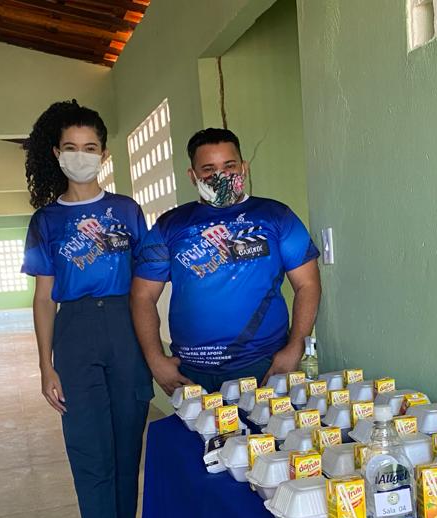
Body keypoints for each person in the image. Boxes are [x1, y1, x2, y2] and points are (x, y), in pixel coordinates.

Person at [21, 100, 152, 518]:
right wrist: (45, 364)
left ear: (104, 154)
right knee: (89, 447)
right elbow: (42, 297)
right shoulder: (46, 221)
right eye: (71, 147)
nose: (81, 155)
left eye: (90, 147)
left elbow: (147, 280)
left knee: (126, 443)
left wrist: (153, 345)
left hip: (124, 325)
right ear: (57, 154)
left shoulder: (127, 211)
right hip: (74, 331)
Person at [130, 127, 321, 395]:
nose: (220, 176)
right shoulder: (171, 225)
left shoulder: (276, 216)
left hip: (263, 365)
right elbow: (142, 295)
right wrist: (155, 360)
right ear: (192, 176)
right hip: (191, 371)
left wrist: (295, 347)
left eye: (229, 166)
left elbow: (308, 284)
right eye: (208, 169)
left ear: (244, 168)